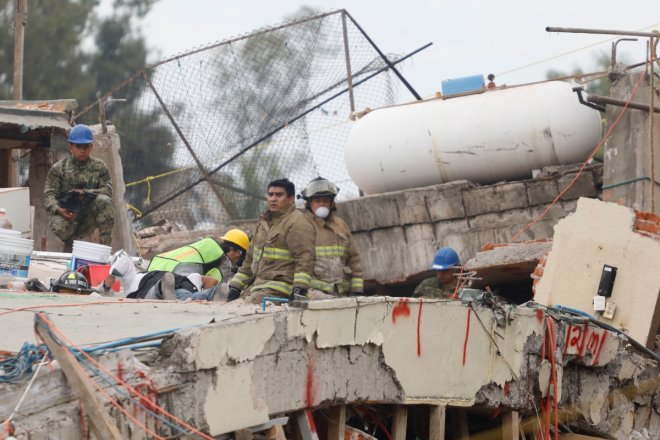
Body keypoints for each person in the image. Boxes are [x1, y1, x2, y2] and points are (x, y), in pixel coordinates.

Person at [228, 178, 315, 304]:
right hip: (257, 288)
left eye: (279, 195)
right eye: (270, 194)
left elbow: (305, 258)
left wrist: (299, 289)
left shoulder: (298, 222)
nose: (273, 198)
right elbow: (250, 260)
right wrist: (235, 286)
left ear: (291, 199)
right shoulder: (263, 223)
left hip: (279, 291)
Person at [43, 124, 114, 251]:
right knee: (61, 228)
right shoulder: (59, 168)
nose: (83, 150)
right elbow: (49, 195)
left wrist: (86, 193)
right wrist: (59, 209)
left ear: (91, 147)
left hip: (88, 214)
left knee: (105, 201)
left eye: (86, 146)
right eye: (78, 146)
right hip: (66, 215)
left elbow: (107, 190)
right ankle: (69, 247)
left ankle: (105, 249)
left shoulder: (99, 166)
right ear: (71, 147)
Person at [299, 177, 363, 298]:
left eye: (325, 200)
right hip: (314, 294)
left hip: (341, 294)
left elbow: (354, 259)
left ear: (331, 203)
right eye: (317, 200)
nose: (322, 204)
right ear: (309, 202)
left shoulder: (341, 225)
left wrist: (356, 290)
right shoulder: (301, 226)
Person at [97, 250, 226, 301]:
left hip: (151, 288)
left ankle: (162, 288)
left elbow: (122, 260)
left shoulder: (133, 280)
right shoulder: (183, 276)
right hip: (184, 285)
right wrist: (209, 288)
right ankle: (213, 293)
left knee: (156, 291)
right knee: (192, 297)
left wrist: (104, 288)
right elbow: (212, 280)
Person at [147, 229, 249, 282]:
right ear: (233, 250)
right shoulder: (223, 263)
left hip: (155, 269)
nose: (238, 257)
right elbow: (213, 287)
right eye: (240, 253)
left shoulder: (206, 248)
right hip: (173, 278)